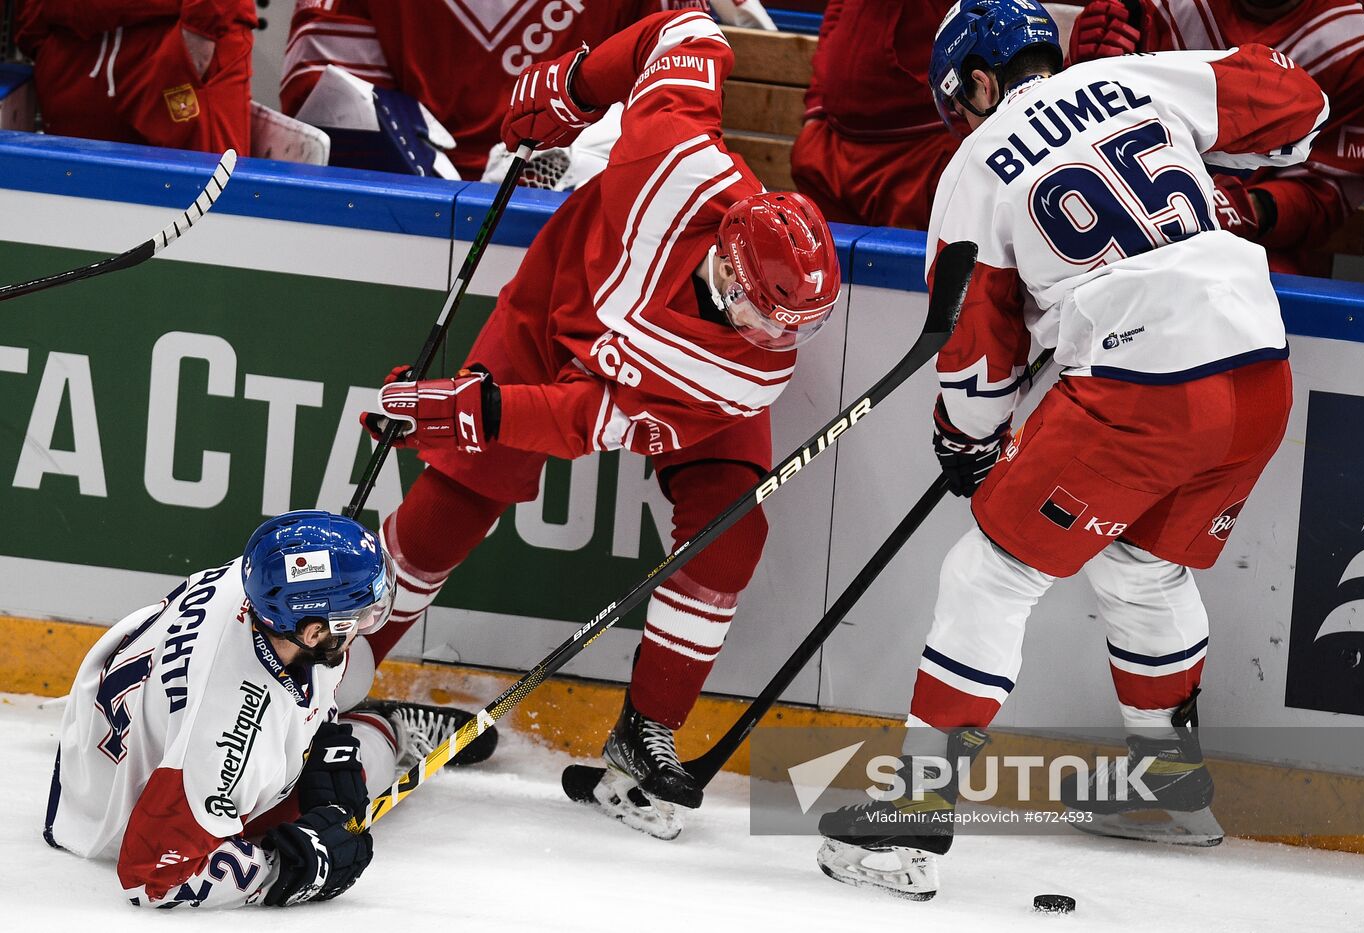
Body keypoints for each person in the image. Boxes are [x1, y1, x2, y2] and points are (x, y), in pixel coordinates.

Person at [815, 0, 1326, 900]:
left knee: (990, 575)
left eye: (957, 100)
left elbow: (977, 352)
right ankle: (1170, 789)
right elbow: (1300, 103)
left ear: (977, 81)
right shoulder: (1129, 77)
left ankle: (912, 823)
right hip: (1258, 368)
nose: (962, 121)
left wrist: (965, 441)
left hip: (1146, 388)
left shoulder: (973, 169)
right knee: (1142, 570)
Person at [359, 8, 841, 839]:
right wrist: (574, 84)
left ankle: (645, 729)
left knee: (730, 531)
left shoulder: (745, 366)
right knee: (455, 500)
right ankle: (335, 671)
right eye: (769, 318)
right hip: (557, 310)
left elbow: (586, 421)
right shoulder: (672, 157)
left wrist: (475, 406)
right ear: (728, 270)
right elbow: (687, 29)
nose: (781, 343)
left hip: (642, 392)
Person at [41, 510, 490, 908]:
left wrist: (325, 736)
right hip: (123, 815)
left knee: (352, 668)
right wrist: (292, 867)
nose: (367, 621)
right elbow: (152, 878)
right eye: (359, 615)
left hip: (102, 746)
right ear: (312, 631)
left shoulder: (258, 578)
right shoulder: (229, 739)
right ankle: (385, 728)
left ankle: (336, 723)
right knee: (365, 767)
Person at [279, 0, 774, 179]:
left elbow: (681, 82)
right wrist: (423, 183)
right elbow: (329, 96)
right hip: (415, 210)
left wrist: (583, 161)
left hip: (579, 214)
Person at [1069, 0, 1364, 276]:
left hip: (1261, 253)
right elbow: (1080, 142)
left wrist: (1237, 210)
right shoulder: (1151, 9)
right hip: (1121, 236)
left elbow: (1323, 193)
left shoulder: (1358, 39)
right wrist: (1080, 74)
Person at [791, 0, 960, 230]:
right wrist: (817, 105)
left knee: (903, 262)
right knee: (827, 261)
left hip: (919, 153)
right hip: (832, 147)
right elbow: (837, 12)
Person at [16, 0, 256, 154]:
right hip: (75, 46)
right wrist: (35, 25)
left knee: (202, 208)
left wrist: (201, 31)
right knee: (71, 210)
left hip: (175, 38)